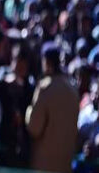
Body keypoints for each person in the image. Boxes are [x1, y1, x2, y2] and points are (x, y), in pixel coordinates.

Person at [26, 42, 79, 173]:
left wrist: (28, 111)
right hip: (65, 165)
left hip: (45, 165)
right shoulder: (72, 89)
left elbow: (34, 128)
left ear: (46, 62)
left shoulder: (45, 88)